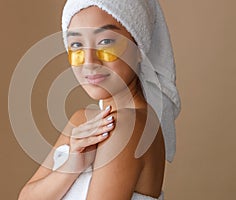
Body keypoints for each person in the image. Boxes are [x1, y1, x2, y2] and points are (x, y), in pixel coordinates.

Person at [18, 0, 181, 199]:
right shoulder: (81, 121)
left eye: (105, 42)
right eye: (77, 45)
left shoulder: (129, 125)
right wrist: (70, 167)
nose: (89, 61)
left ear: (139, 48)